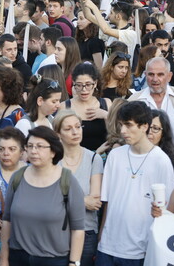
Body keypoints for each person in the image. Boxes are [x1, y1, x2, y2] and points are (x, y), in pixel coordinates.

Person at [97, 101, 174, 265]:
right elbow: (107, 202)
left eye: (128, 125)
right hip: (107, 247)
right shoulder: (115, 155)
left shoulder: (161, 161)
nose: (123, 131)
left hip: (140, 250)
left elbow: (165, 211)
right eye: (121, 125)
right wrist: (101, 238)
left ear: (145, 126)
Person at [0, 126, 85, 266]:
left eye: (39, 146)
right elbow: (7, 221)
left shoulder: (67, 180)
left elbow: (78, 228)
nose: (33, 151)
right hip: (18, 257)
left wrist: (74, 262)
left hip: (54, 260)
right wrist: (3, 258)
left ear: (53, 151)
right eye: (30, 146)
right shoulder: (18, 177)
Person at [54, 110, 103, 266]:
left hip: (86, 230)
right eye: (68, 129)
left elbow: (94, 202)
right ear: (58, 133)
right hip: (55, 230)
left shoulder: (94, 159)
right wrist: (82, 200)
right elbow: (47, 200)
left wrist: (63, 199)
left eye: (78, 126)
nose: (75, 132)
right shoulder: (51, 159)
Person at [60, 62, 111, 152]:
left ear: (95, 83)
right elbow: (59, 139)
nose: (84, 90)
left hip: (103, 158)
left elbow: (114, 136)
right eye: (79, 85)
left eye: (88, 85)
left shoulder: (106, 103)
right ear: (73, 84)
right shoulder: (64, 106)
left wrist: (106, 115)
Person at [0, 127, 27, 221]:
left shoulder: (32, 172)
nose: (6, 153)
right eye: (1, 149)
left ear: (21, 152)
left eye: (12, 149)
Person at [149, 109, 174, 181]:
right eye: (147, 127)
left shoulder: (170, 160)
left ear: (163, 133)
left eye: (155, 128)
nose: (149, 132)